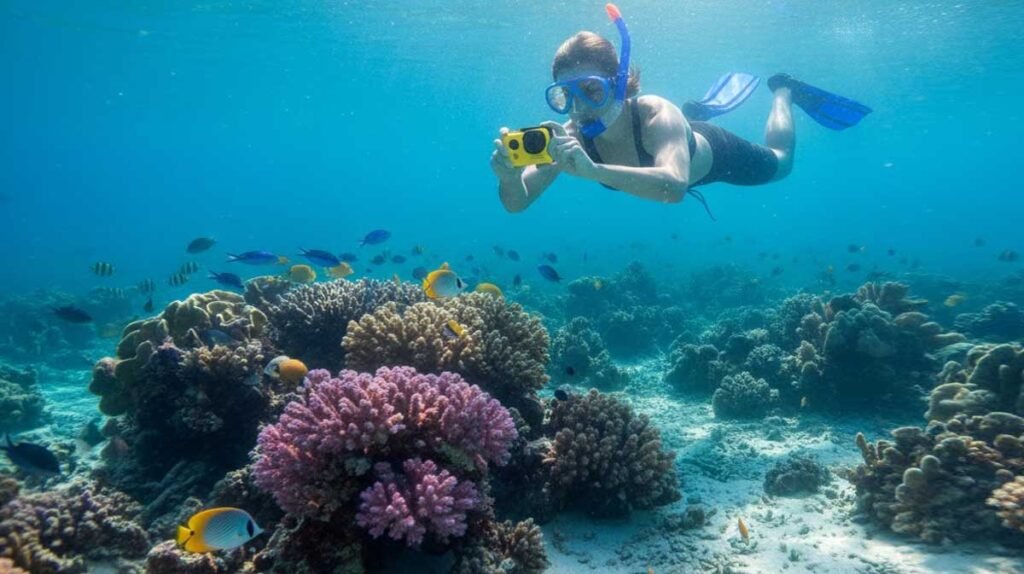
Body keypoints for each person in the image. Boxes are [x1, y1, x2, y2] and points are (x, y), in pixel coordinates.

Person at [491, 4, 870, 216]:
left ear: (619, 84)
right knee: (681, 126)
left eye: (591, 90)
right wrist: (509, 176)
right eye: (564, 96)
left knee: (782, 163)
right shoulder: (568, 138)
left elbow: (673, 188)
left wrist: (593, 171)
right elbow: (517, 202)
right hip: (674, 138)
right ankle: (696, 114)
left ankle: (784, 90)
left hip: (715, 155)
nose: (577, 108)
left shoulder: (656, 113)